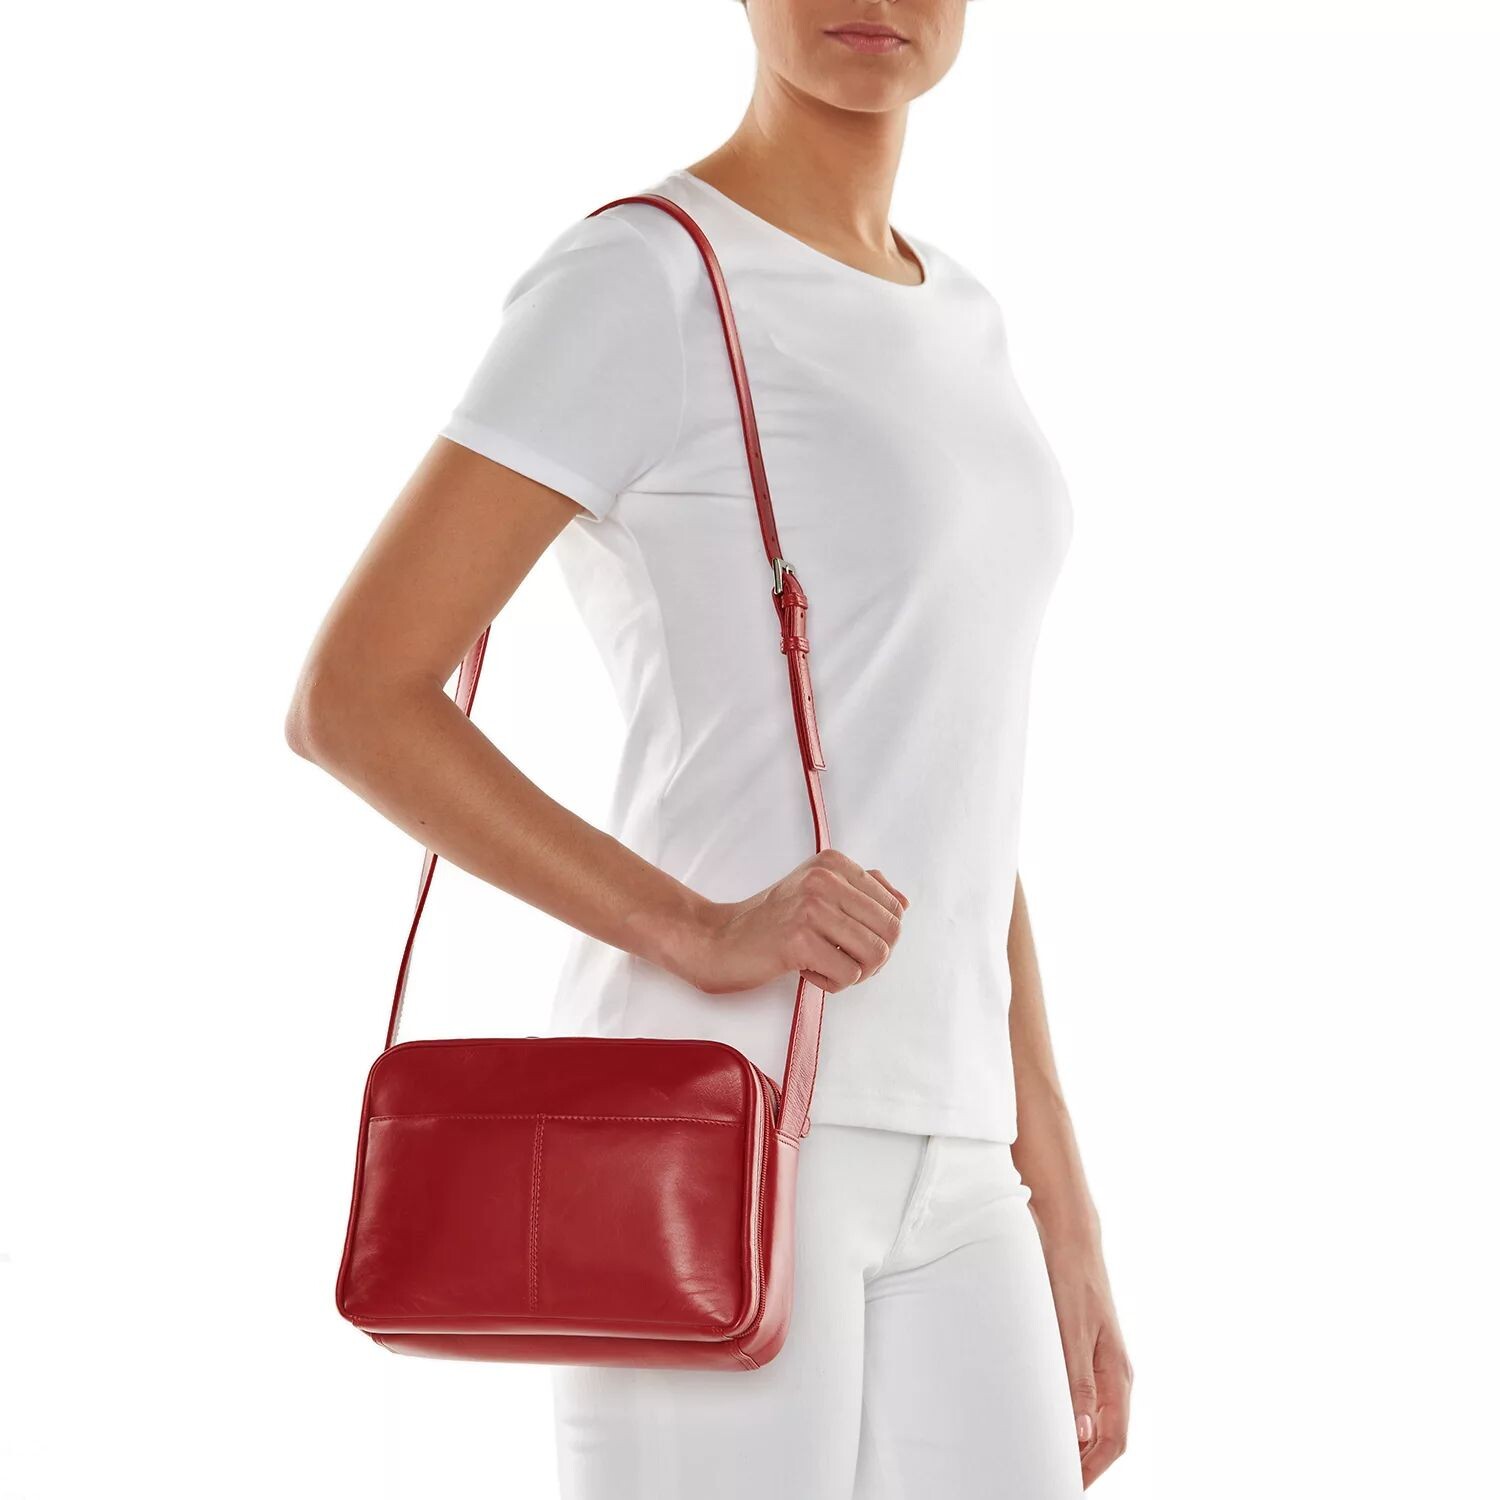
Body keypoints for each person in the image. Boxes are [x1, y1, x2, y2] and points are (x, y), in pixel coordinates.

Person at [286, 0, 1131, 1494]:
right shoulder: (647, 278)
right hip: (705, 1125)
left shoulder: (966, 316)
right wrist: (695, 924)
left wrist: (1051, 1174)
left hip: (956, 1152)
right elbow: (355, 694)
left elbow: (946, 770)